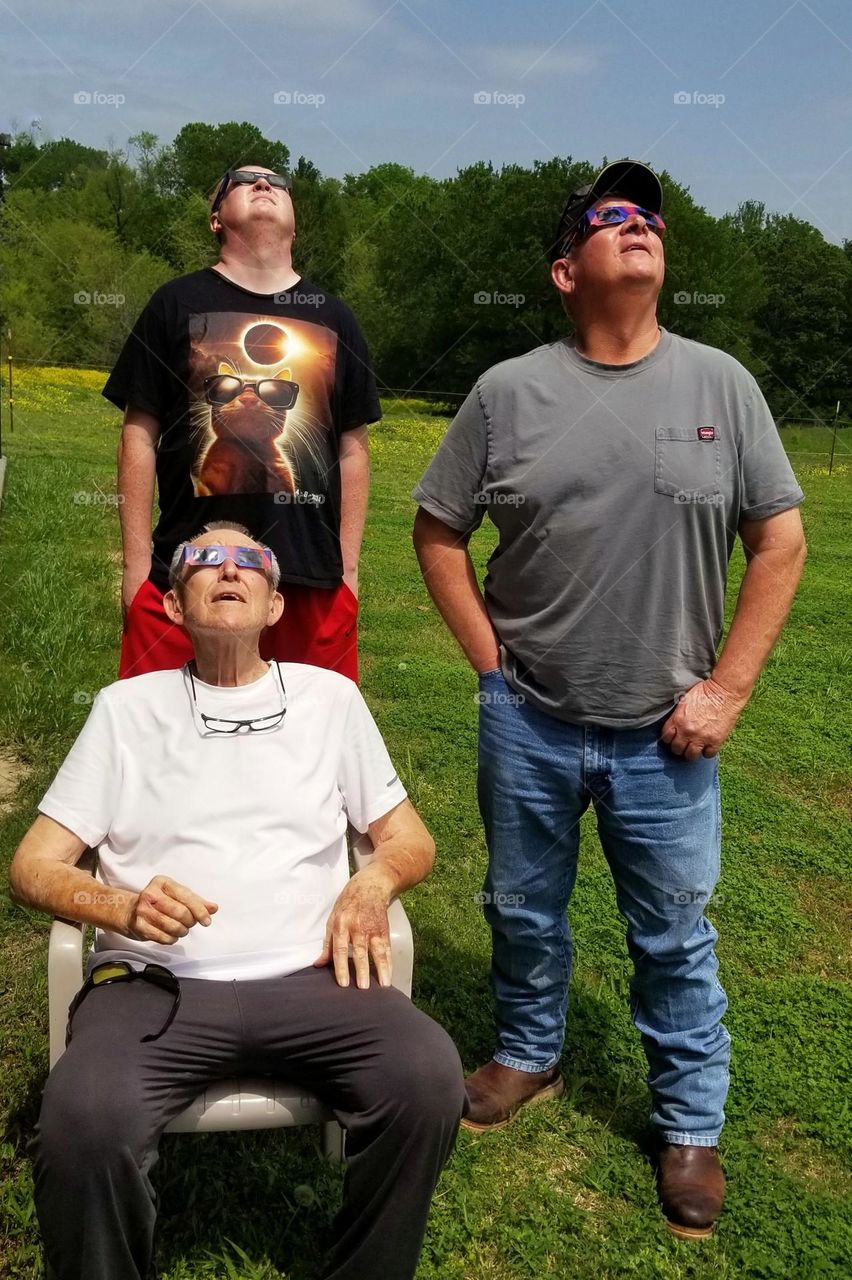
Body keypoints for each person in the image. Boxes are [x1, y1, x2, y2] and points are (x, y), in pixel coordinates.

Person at [412, 159, 807, 1238]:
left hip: (667, 734)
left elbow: (779, 540)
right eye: (612, 217)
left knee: (674, 935)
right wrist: (490, 665)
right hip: (529, 714)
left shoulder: (721, 383)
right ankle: (528, 1052)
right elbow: (438, 529)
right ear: (564, 269)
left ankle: (688, 1124)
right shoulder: (507, 392)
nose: (641, 226)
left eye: (651, 218)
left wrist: (727, 687)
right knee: (521, 905)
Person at [10, 523, 465, 1280]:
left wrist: (374, 880)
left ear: (277, 602)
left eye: (249, 561)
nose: (229, 569)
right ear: (173, 604)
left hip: (318, 978)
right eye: (204, 561)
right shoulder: (125, 711)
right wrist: (116, 907)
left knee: (426, 1078)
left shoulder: (331, 701)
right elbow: (31, 866)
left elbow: (409, 838)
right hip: (155, 988)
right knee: (82, 1122)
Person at [106, 165, 378, 683]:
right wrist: (137, 568)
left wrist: (348, 571)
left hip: (310, 582)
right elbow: (138, 435)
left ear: (295, 223)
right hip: (187, 573)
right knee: (166, 745)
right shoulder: (174, 303)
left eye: (277, 183)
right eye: (240, 180)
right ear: (215, 219)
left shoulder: (334, 317)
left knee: (307, 750)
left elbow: (353, 448)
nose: (263, 184)